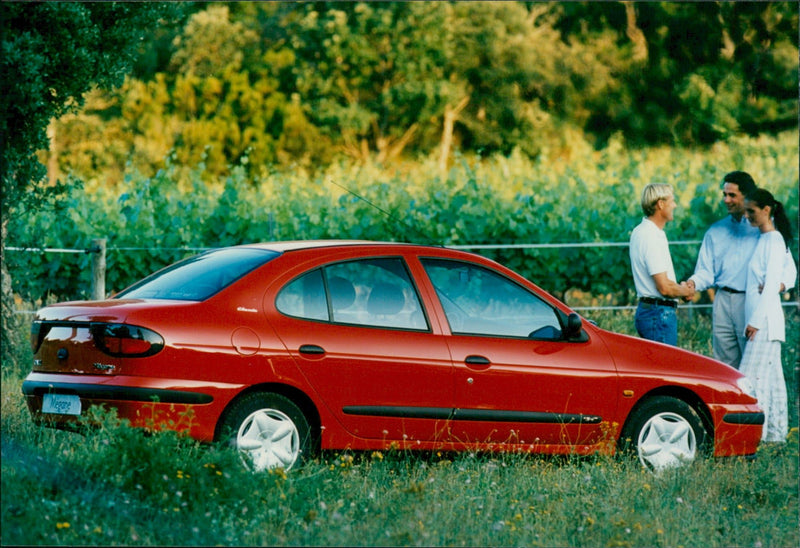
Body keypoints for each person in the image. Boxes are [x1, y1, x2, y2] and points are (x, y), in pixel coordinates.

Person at [686, 171, 797, 368]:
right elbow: (706, 271)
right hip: (722, 301)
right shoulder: (715, 231)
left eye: (732, 195)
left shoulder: (763, 230)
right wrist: (692, 284)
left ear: (747, 196)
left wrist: (778, 286)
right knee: (723, 364)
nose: (726, 200)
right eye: (724, 194)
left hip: (751, 300)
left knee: (751, 363)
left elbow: (789, 269)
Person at [738, 188, 795, 443]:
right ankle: (774, 435)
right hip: (764, 321)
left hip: (765, 322)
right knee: (771, 381)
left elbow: (774, 281)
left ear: (766, 210)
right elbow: (785, 274)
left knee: (752, 379)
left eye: (752, 211)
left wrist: (755, 321)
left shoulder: (773, 240)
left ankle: (751, 435)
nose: (748, 216)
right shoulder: (766, 239)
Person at [629, 183, 694, 346]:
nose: (675, 205)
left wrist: (680, 290)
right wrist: (685, 290)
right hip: (658, 315)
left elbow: (664, 280)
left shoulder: (643, 231)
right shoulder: (651, 236)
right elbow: (664, 287)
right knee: (665, 369)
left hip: (652, 313)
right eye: (672, 200)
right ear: (660, 204)